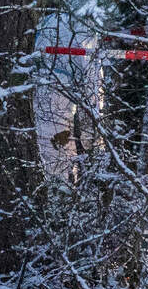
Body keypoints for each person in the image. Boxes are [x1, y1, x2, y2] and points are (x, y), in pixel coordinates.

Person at [34, 11, 102, 180]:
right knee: (59, 151)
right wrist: (92, 138)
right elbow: (92, 84)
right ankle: (64, 191)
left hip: (40, 86)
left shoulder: (48, 19)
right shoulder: (85, 28)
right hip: (60, 93)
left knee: (50, 150)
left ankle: (55, 189)